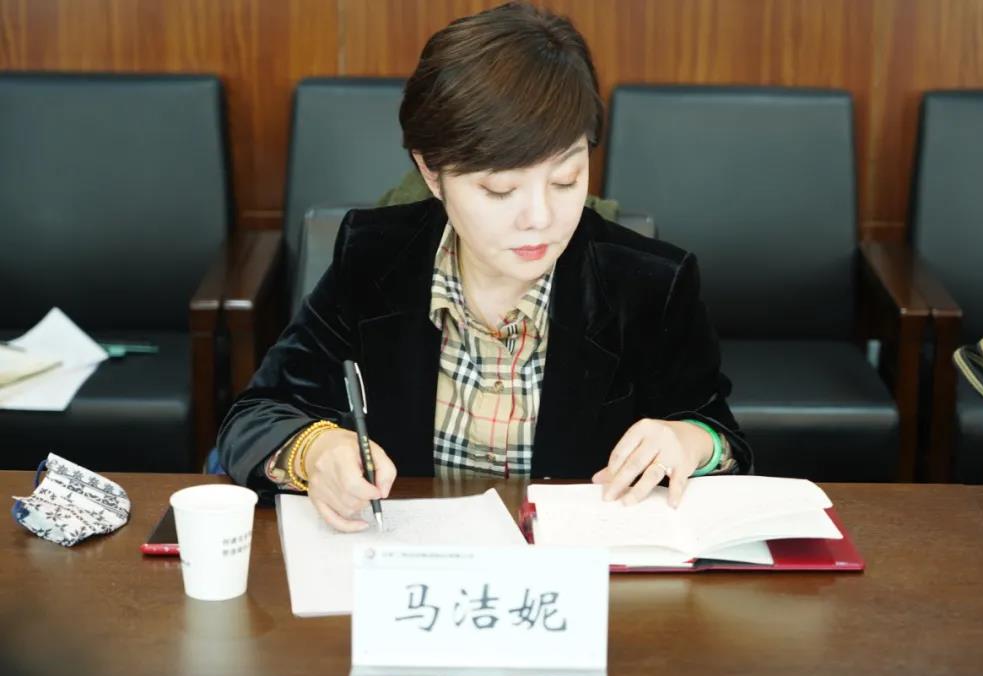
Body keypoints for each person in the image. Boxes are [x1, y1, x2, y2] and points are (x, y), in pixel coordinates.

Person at [217, 1, 751, 532]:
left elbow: (721, 435)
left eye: (565, 180)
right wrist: (316, 451)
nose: (540, 218)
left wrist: (689, 441)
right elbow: (255, 416)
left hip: (574, 573)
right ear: (431, 173)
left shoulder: (649, 284)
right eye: (500, 189)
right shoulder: (374, 258)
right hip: (407, 565)